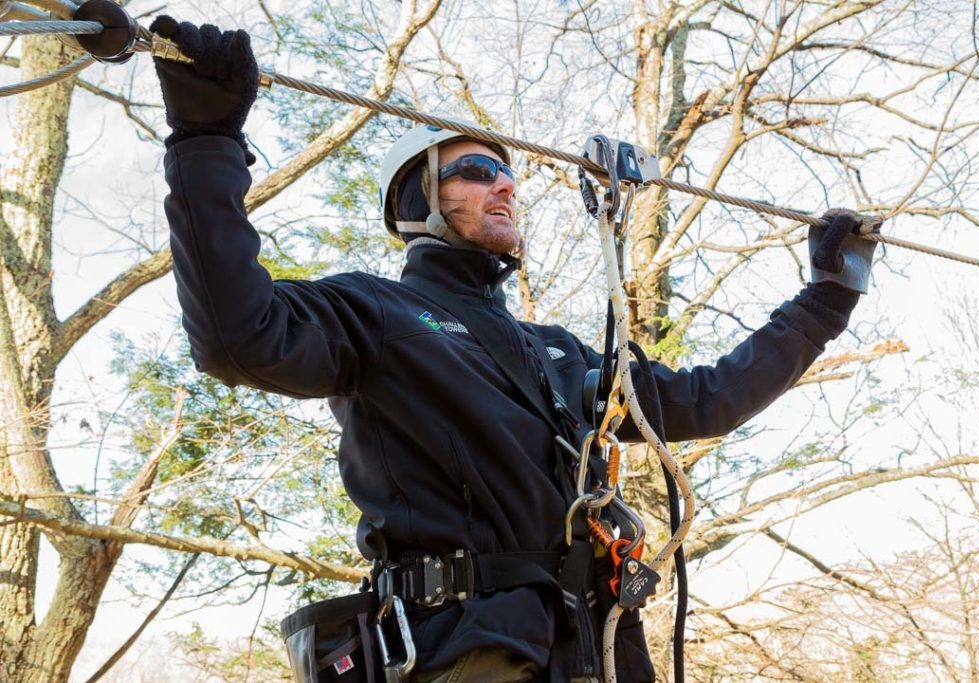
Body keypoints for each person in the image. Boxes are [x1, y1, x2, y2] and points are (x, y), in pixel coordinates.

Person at [151, 17, 879, 683]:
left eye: (507, 173)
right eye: (474, 171)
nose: (504, 183)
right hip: (472, 649)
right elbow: (236, 338)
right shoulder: (375, 312)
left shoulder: (554, 357)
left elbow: (704, 398)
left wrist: (825, 300)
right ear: (418, 202)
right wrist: (205, 145)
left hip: (593, 649)